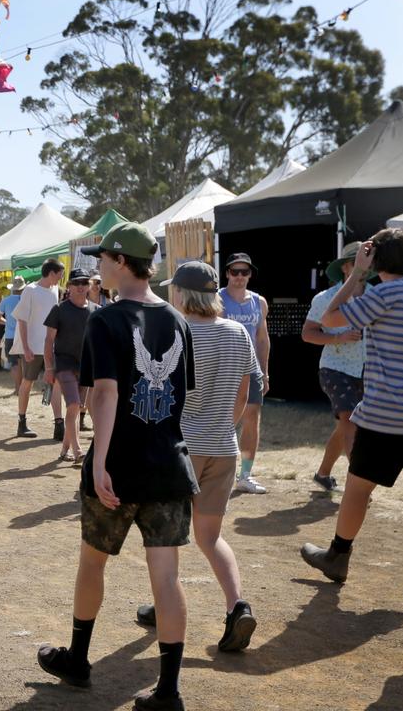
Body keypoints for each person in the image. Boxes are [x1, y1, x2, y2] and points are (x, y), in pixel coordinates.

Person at [36, 222, 197, 710]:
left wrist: (98, 459)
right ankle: (169, 690)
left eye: (103, 258)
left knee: (93, 561)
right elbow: (180, 396)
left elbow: (104, 393)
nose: (97, 266)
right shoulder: (177, 319)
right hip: (169, 465)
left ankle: (78, 660)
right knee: (166, 578)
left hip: (119, 465)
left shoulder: (106, 321)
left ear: (122, 262)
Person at [130, 261, 259, 652]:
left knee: (165, 536)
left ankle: (163, 603)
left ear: (182, 295)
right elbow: (244, 393)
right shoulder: (238, 332)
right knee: (210, 536)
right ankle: (237, 605)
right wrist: (224, 426)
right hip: (223, 447)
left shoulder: (174, 332)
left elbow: (157, 396)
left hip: (179, 448)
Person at [301, 229, 403, 599]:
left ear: (378, 260)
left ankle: (338, 556)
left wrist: (357, 273)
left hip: (383, 414)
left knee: (357, 487)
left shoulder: (383, 294)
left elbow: (332, 317)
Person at [302, 242, 367, 492]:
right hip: (334, 368)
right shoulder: (326, 299)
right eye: (357, 263)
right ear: (345, 267)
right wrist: (337, 337)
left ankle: (322, 474)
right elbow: (308, 334)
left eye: (367, 263)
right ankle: (357, 485)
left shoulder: (375, 294)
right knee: (349, 420)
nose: (363, 268)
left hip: (365, 370)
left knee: (348, 425)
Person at [219, 252, 270, 494]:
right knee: (222, 422)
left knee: (251, 420)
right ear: (227, 273)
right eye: (235, 271)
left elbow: (262, 338)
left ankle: (245, 475)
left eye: (244, 272)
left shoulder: (259, 302)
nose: (239, 277)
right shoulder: (216, 299)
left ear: (250, 274)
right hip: (223, 370)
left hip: (251, 370)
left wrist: (265, 372)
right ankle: (218, 475)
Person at [43, 268, 99, 462]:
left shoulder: (95, 311)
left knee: (76, 409)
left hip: (85, 367)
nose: (81, 286)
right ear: (69, 286)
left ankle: (64, 450)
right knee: (74, 405)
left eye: (85, 283)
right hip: (64, 364)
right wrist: (49, 368)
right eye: (77, 283)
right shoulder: (59, 309)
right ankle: (78, 451)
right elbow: (49, 340)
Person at [14, 259, 66, 439]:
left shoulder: (54, 291)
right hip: (33, 347)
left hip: (50, 347)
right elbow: (22, 319)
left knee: (55, 382)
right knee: (27, 382)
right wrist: (26, 347)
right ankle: (22, 422)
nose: (61, 279)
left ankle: (59, 424)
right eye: (59, 275)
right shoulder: (30, 290)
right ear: (51, 273)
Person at [0, 279, 25, 387]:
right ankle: (23, 388)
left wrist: (7, 322)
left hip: (10, 336)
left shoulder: (6, 300)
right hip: (24, 335)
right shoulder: (27, 300)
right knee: (24, 363)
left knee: (14, 363)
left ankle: (18, 388)